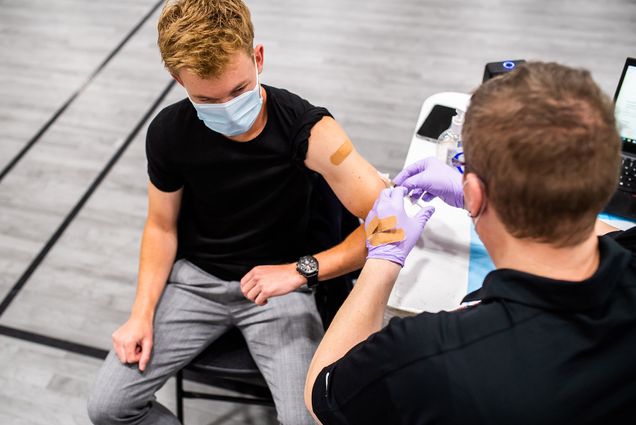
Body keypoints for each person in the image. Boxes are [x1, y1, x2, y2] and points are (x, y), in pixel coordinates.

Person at [86, 0, 385, 424]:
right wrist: (140, 314)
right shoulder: (169, 132)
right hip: (196, 284)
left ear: (258, 57)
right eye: (207, 99)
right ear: (177, 80)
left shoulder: (309, 130)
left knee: (310, 420)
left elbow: (386, 225)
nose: (229, 110)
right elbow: (160, 226)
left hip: (279, 289)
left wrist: (301, 270)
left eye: (239, 90)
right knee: (108, 407)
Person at [305, 62, 636, 424]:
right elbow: (607, 236)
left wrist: (383, 257)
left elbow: (322, 392)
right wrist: (500, 197)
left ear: (474, 192)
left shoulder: (427, 352)